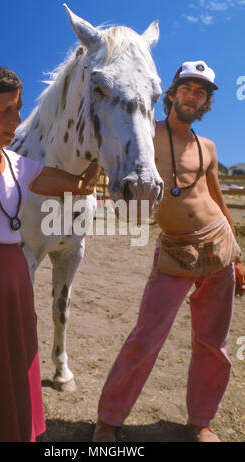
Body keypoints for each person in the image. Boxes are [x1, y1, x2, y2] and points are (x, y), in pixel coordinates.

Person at [0, 63, 101, 442]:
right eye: (5, 110)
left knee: (8, 364)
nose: (18, 119)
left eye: (19, 107)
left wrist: (104, 140)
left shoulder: (18, 163)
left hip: (11, 279)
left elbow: (78, 186)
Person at [93, 60, 245, 443]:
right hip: (175, 249)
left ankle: (201, 422)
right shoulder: (145, 133)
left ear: (206, 101)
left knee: (213, 344)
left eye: (201, 92)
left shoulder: (206, 147)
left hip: (219, 245)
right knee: (146, 336)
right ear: (172, 93)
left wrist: (239, 257)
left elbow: (216, 199)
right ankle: (108, 420)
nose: (193, 96)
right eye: (187, 88)